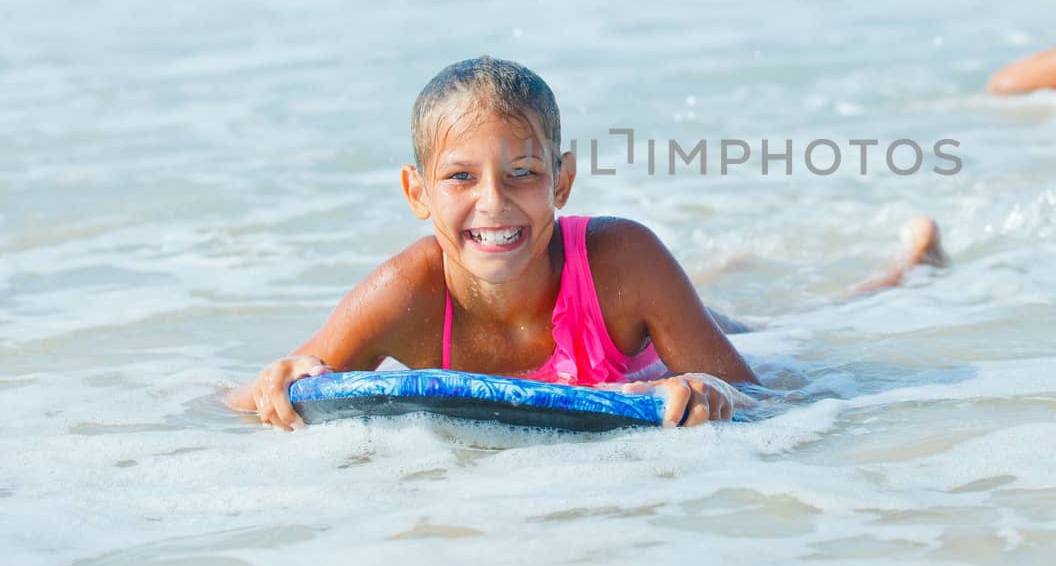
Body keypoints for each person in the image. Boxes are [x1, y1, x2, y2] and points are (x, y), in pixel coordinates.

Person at [228, 57, 945, 431]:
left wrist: (709, 393)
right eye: (459, 177)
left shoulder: (624, 260)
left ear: (563, 180)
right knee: (726, 291)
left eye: (523, 173)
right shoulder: (406, 293)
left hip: (637, 319)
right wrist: (274, 382)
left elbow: (764, 397)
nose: (494, 202)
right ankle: (727, 271)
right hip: (623, 322)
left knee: (803, 321)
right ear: (416, 192)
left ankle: (908, 264)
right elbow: (251, 399)